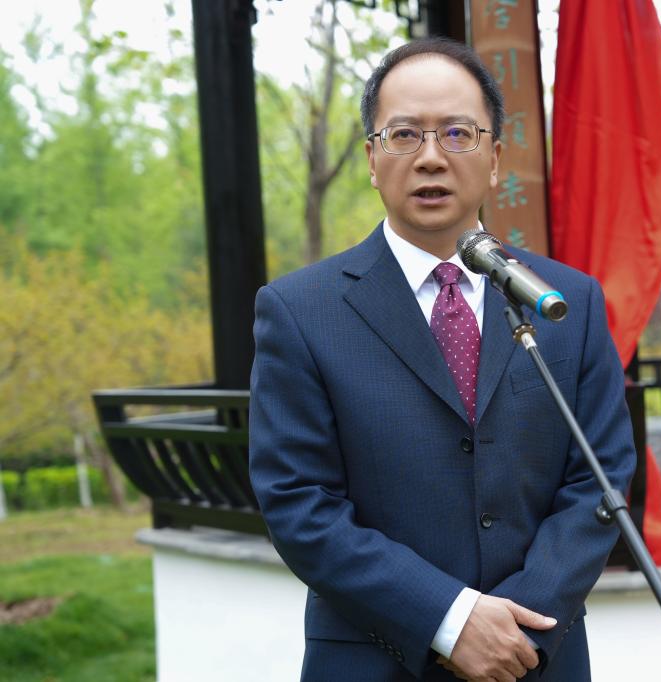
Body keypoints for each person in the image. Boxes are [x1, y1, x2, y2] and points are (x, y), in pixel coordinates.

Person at [249, 37, 635, 682]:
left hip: (537, 658)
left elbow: (598, 479)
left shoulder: (566, 301)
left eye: (458, 133)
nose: (431, 157)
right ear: (372, 160)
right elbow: (298, 502)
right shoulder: (299, 310)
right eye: (404, 135)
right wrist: (450, 621)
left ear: (495, 158)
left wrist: (518, 629)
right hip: (374, 660)